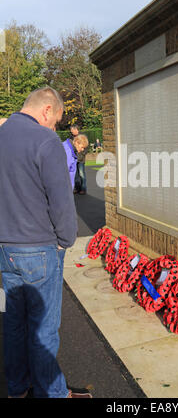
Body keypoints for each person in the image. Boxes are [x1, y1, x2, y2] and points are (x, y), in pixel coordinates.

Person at [0, 87, 92, 398]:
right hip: (39, 248)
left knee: (14, 324)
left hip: (5, 249)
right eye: (56, 120)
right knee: (43, 329)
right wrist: (66, 241)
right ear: (46, 110)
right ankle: (51, 393)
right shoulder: (45, 140)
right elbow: (61, 201)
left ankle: (17, 387)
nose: (55, 127)